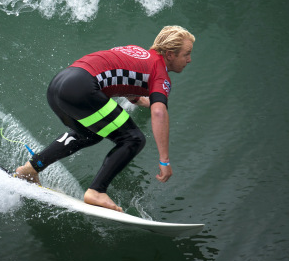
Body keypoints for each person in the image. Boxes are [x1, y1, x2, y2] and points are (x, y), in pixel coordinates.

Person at [15, 25, 195, 212]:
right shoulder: (160, 75)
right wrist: (164, 160)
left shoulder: (138, 53)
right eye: (186, 54)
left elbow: (119, 73)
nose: (189, 60)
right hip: (82, 88)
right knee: (133, 139)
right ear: (170, 54)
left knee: (89, 134)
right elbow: (159, 112)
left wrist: (138, 100)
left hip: (59, 86)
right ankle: (96, 191)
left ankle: (30, 169)